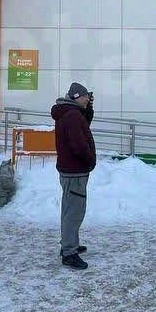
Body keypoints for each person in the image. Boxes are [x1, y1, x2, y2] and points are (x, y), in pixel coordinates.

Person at [51, 81, 96, 270]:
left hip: (70, 170)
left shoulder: (70, 112)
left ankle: (70, 244)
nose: (87, 99)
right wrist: (90, 160)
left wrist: (89, 109)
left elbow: (84, 125)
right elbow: (79, 144)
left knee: (70, 210)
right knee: (74, 213)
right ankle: (69, 253)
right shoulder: (72, 116)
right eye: (85, 97)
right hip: (75, 171)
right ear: (78, 97)